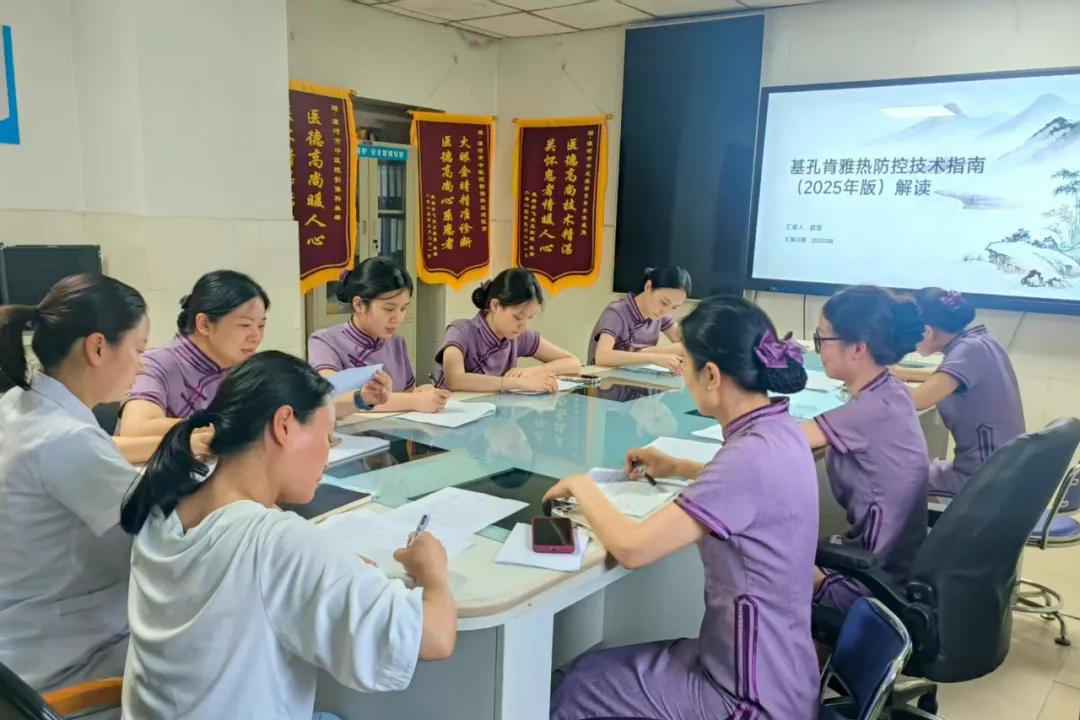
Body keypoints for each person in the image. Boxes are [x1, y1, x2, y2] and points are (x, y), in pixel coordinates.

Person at [119, 351, 456, 719]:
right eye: (328, 437)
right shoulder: (276, 545)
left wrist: (328, 563)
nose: (327, 454)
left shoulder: (165, 497)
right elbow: (434, 637)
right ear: (283, 425)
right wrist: (432, 572)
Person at [545, 297, 819, 720]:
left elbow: (633, 549)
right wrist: (679, 467)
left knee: (574, 690)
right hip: (781, 668)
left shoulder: (747, 458)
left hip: (748, 694)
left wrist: (582, 486)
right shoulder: (780, 430)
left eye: (686, 366)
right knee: (591, 670)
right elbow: (750, 487)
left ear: (711, 375)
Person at [0, 274, 146, 691]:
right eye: (138, 349)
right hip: (66, 663)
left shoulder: (19, 403)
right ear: (98, 348)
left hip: (23, 643)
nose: (142, 365)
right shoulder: (66, 438)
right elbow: (161, 534)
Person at [801, 285, 929, 612]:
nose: (819, 349)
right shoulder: (892, 391)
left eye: (822, 339)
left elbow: (776, 443)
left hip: (870, 581)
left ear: (858, 348)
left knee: (759, 558)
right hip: (896, 563)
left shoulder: (867, 411)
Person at [892, 288, 1025, 497]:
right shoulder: (980, 341)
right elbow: (944, 378)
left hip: (982, 479)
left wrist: (868, 379)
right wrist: (901, 373)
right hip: (1002, 470)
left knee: (885, 474)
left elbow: (917, 400)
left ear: (926, 331)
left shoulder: (967, 351)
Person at [119, 270, 269, 437]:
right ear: (204, 324)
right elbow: (136, 429)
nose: (256, 337)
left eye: (261, 326)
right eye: (245, 325)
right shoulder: (156, 364)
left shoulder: (242, 370)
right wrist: (228, 426)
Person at [309, 258, 449, 417]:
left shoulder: (397, 343)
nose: (397, 318)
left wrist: (421, 393)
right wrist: (415, 400)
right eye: (389, 309)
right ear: (359, 305)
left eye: (403, 308)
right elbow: (330, 397)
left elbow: (405, 394)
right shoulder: (325, 341)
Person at [436, 268, 581, 393]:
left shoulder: (519, 336)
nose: (524, 326)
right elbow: (455, 380)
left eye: (530, 317)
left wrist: (531, 372)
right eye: (518, 317)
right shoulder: (460, 331)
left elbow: (573, 363)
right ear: (495, 305)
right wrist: (517, 383)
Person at [587, 265, 690, 371]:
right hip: (603, 376)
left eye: (674, 307)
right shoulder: (617, 312)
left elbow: (689, 346)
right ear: (648, 287)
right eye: (664, 302)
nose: (666, 312)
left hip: (634, 375)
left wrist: (650, 351)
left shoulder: (660, 315)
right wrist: (653, 357)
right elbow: (602, 357)